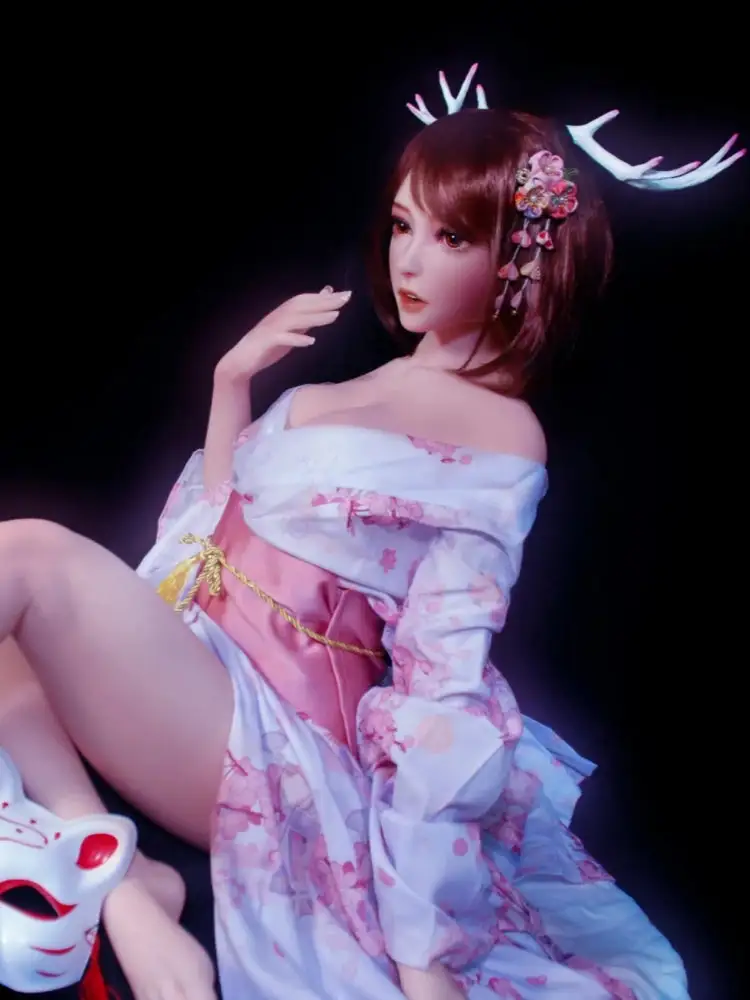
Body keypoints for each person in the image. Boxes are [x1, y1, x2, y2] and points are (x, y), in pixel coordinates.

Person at [0, 65, 739, 1000]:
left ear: (520, 257)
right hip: (195, 665)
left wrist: (423, 960)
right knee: (19, 624)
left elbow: (444, 684)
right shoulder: (363, 385)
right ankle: (127, 889)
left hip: (274, 745)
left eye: (451, 236)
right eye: (401, 225)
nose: (409, 260)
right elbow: (210, 531)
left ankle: (116, 878)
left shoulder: (504, 433)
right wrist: (231, 382)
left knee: (24, 555)